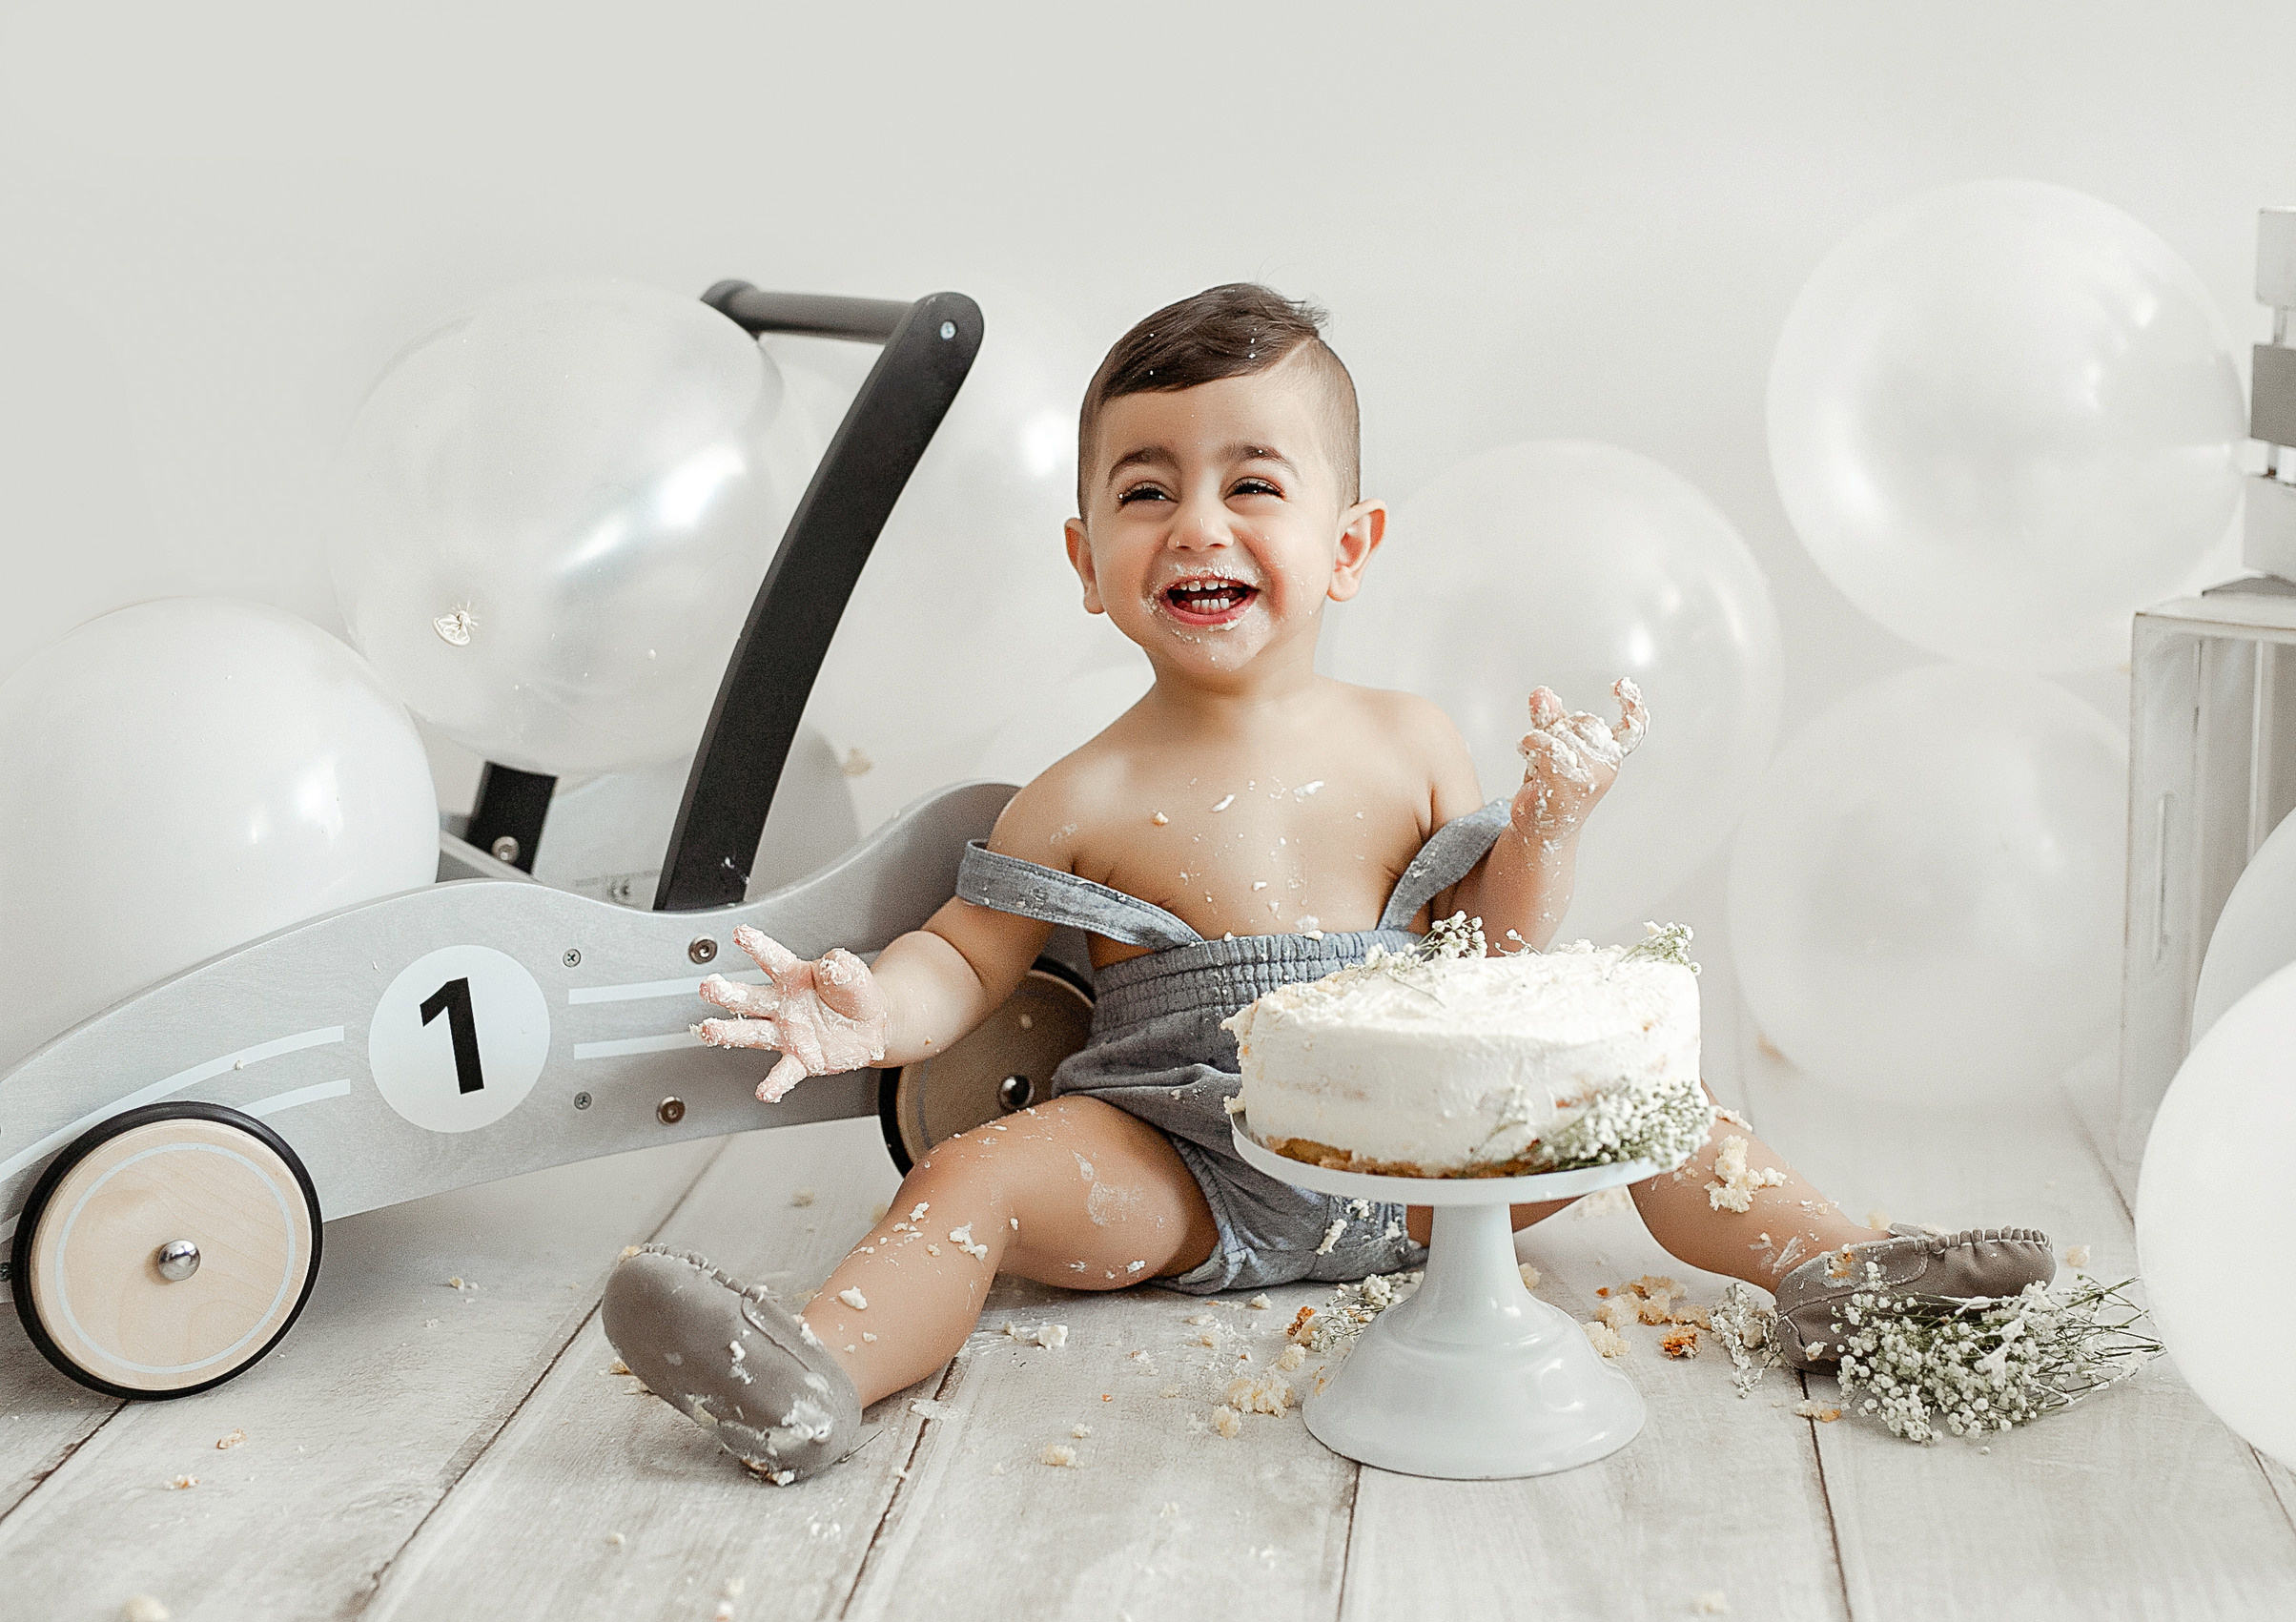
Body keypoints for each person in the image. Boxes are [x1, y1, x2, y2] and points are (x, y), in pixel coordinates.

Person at [602, 284, 2051, 1482]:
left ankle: (1862, 1275)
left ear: (1348, 547)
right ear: (1087, 561)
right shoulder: (1079, 792)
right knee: (976, 1174)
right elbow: (968, 960)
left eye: (1254, 484)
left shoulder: (1407, 744)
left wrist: (1547, 820)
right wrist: (870, 1008)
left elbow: (1490, 962)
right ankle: (813, 1373)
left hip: (1426, 1171)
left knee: (1662, 1121)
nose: (1199, 523)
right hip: (1186, 1166)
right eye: (1147, 489)